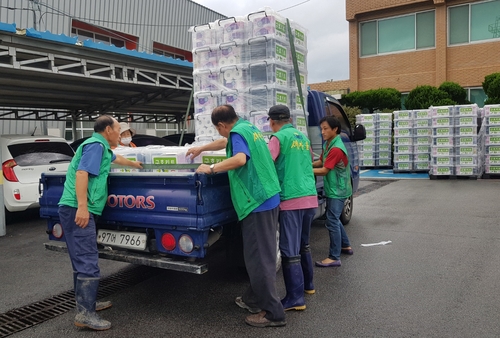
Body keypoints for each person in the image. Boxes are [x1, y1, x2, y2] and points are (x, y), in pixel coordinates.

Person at [186, 104, 286, 328]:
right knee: (262, 254)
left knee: (259, 259)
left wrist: (211, 168)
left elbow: (240, 159)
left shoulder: (238, 133)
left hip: (257, 201)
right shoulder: (248, 128)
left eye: (218, 129)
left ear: (222, 125)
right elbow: (226, 143)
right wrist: (202, 148)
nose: (220, 134)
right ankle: (252, 299)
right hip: (268, 197)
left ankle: (273, 313)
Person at [58, 115, 142, 331]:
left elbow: (116, 159)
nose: (120, 133)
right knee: (87, 261)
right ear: (107, 130)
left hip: (72, 208)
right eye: (118, 129)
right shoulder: (96, 145)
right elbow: (82, 173)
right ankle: (86, 314)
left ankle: (86, 304)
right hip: (77, 209)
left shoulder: (102, 147)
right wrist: (83, 207)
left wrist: (134, 164)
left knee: (80, 260)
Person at [267, 105, 318, 311]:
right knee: (303, 244)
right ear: (289, 119)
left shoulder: (277, 138)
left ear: (272, 122)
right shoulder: (303, 138)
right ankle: (308, 286)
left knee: (289, 250)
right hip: (310, 198)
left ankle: (295, 298)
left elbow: (266, 163)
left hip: (291, 199)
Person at [312, 116, 353, 268]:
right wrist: (306, 164)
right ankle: (346, 246)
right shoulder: (329, 144)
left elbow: (324, 170)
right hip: (334, 187)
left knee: (331, 221)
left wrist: (304, 172)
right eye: (321, 128)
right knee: (334, 218)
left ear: (335, 129)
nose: (322, 132)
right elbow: (321, 161)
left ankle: (334, 256)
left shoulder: (336, 148)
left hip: (338, 189)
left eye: (325, 128)